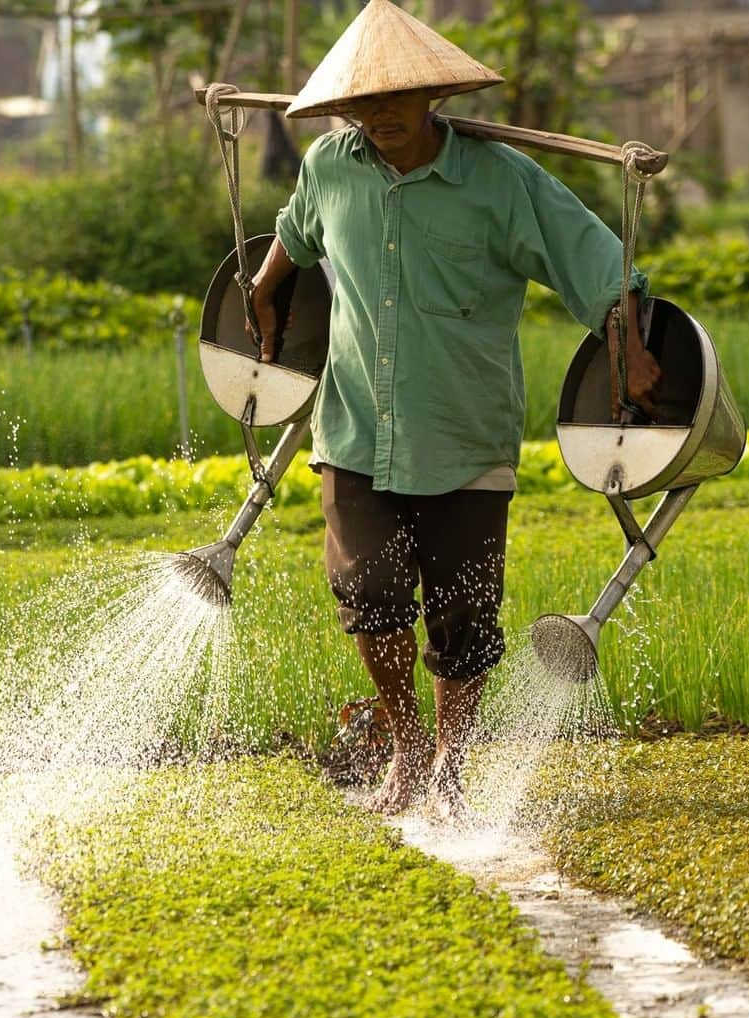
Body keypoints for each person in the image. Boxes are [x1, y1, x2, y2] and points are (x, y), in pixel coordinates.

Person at [247, 0, 660, 816]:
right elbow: (294, 238)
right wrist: (262, 291)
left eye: (399, 98)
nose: (382, 115)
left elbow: (597, 262)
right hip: (358, 431)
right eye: (365, 101)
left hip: (465, 436)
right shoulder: (329, 167)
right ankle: (404, 746)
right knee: (367, 592)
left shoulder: (500, 181)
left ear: (434, 95)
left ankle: (449, 763)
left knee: (465, 613)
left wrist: (631, 345)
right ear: (346, 106)